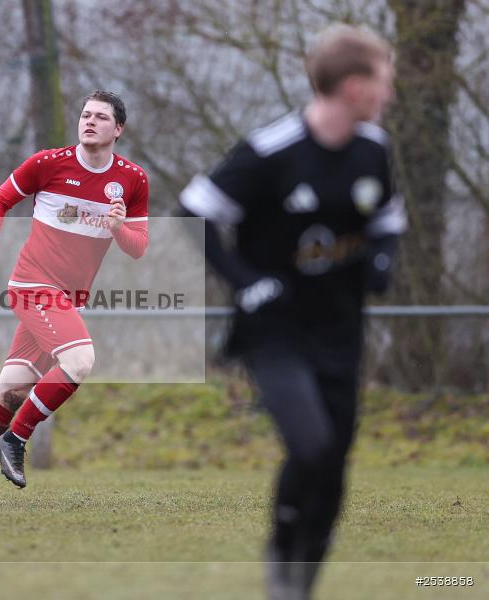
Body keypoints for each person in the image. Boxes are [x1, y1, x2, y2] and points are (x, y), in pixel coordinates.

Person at [177, 24, 407, 599]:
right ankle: (281, 556)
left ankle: (304, 575)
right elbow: (192, 211)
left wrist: (380, 259)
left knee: (334, 460)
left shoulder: (373, 149)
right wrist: (244, 282)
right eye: (384, 81)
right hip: (273, 334)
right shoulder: (271, 151)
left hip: (340, 331)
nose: (389, 94)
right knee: (310, 445)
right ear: (354, 86)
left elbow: (388, 218)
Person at [0, 91, 149, 506]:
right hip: (33, 286)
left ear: (118, 129)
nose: (89, 121)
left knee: (11, 391)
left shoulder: (132, 179)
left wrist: (117, 228)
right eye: (85, 114)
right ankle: (16, 438)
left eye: (101, 117)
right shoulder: (49, 164)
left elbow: (138, 247)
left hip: (69, 299)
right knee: (80, 360)